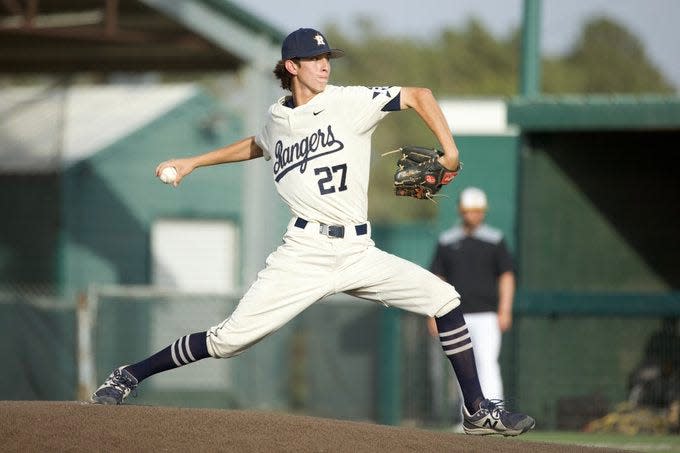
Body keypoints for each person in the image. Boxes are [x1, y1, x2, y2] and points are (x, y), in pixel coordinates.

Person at [90, 27, 534, 436]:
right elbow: (258, 144)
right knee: (228, 341)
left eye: (327, 57)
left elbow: (420, 94)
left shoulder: (349, 101)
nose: (325, 65)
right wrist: (193, 161)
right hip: (303, 251)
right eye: (314, 58)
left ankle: (476, 410)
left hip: (359, 250)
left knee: (445, 298)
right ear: (291, 66)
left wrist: (451, 153)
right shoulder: (276, 117)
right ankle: (129, 374)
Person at [427, 187, 516, 408]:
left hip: (487, 315)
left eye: (477, 211)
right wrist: (432, 314)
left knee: (487, 363)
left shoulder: (495, 240)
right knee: (462, 365)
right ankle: (469, 414)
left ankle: (496, 411)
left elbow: (506, 276)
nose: (472, 215)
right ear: (460, 211)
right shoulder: (447, 241)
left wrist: (505, 309)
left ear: (483, 212)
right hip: (456, 314)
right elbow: (437, 277)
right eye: (468, 210)